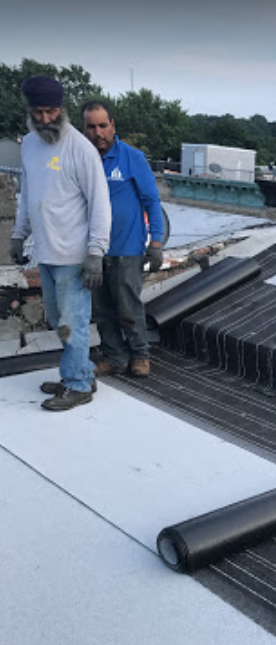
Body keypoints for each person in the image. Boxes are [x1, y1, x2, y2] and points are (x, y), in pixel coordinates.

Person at [10, 75, 111, 412]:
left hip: (74, 254)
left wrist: (96, 251)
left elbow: (100, 202)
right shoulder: (29, 145)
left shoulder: (80, 148)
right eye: (38, 112)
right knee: (57, 320)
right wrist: (18, 232)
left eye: (51, 111)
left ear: (61, 109)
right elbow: (29, 194)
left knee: (72, 322)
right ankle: (77, 373)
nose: (45, 119)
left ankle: (80, 386)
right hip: (46, 251)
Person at [81, 100, 165, 378]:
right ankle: (115, 357)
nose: (98, 132)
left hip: (126, 249)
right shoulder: (82, 161)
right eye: (91, 127)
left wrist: (156, 243)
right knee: (102, 309)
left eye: (103, 125)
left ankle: (140, 354)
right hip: (93, 252)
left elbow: (151, 200)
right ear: (84, 130)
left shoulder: (132, 157)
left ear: (112, 126)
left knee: (128, 306)